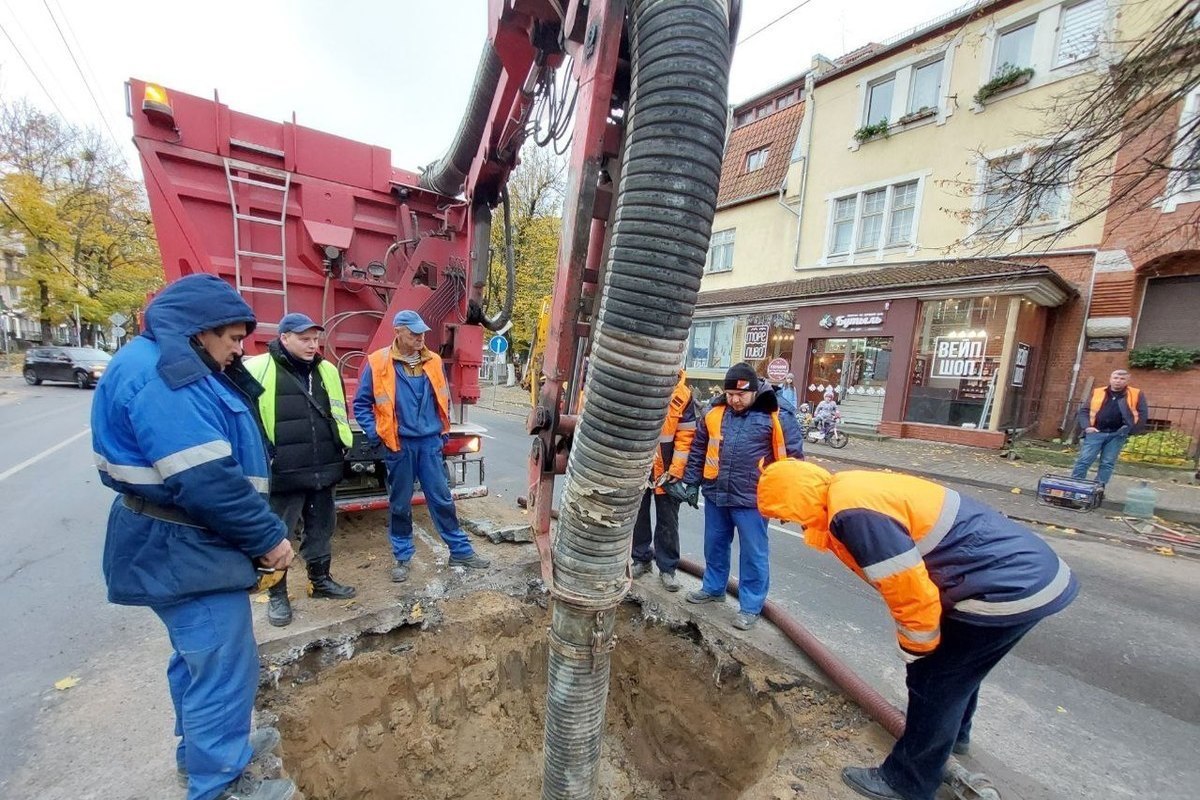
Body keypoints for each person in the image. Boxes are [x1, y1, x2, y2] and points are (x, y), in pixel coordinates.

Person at [758, 460, 1079, 800]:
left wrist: (917, 649)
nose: (785, 521)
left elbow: (909, 590)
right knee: (957, 673)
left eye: (785, 512)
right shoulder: (848, 491)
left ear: (795, 498)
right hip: (1023, 576)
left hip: (1004, 587)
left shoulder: (852, 515)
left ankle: (906, 782)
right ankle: (954, 737)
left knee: (934, 681)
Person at [92, 274, 297, 800]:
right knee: (223, 664)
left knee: (198, 658)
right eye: (231, 339)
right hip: (183, 546)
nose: (237, 352)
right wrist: (270, 539)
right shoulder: (165, 377)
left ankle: (202, 753)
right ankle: (221, 782)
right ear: (197, 331)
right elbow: (207, 481)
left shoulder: (160, 364)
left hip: (175, 544)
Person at [353, 310, 490, 581]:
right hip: (399, 445)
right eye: (414, 332)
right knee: (400, 504)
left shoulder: (433, 361)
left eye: (422, 332)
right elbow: (361, 404)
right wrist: (377, 433)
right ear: (398, 332)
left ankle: (460, 550)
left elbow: (443, 399)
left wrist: (441, 435)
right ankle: (402, 556)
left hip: (429, 444)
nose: (420, 337)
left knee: (441, 499)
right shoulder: (378, 362)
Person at [244, 313, 356, 628]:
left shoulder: (327, 370)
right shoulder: (258, 369)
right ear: (284, 338)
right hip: (284, 472)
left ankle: (320, 582)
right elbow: (248, 421)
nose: (312, 345)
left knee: (321, 530)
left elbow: (338, 411)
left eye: (315, 339)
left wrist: (341, 446)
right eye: (304, 339)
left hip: (324, 467)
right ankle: (276, 595)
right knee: (276, 536)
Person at [672, 362, 804, 630]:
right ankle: (713, 588)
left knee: (754, 554)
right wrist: (691, 482)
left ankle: (750, 606)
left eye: (740, 395)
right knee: (714, 544)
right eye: (730, 394)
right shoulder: (715, 412)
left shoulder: (776, 414)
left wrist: (788, 500)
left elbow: (793, 460)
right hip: (717, 494)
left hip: (753, 500)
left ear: (754, 391)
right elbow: (699, 447)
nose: (734, 400)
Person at [631, 369, 697, 592]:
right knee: (638, 515)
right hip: (640, 467)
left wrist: (675, 471)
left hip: (667, 471)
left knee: (668, 521)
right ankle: (641, 558)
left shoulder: (683, 396)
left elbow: (686, 437)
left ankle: (667, 568)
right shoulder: (640, 386)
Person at [1071, 369, 1148, 486]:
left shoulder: (1136, 394)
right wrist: (1087, 427)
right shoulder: (1098, 392)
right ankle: (1074, 486)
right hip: (1096, 432)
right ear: (1110, 379)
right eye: (1115, 378)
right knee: (1084, 461)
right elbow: (1084, 411)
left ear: (1128, 381)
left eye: (1122, 379)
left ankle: (1098, 490)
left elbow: (1142, 414)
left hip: (1117, 434)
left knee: (1107, 463)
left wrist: (1130, 431)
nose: (1118, 381)